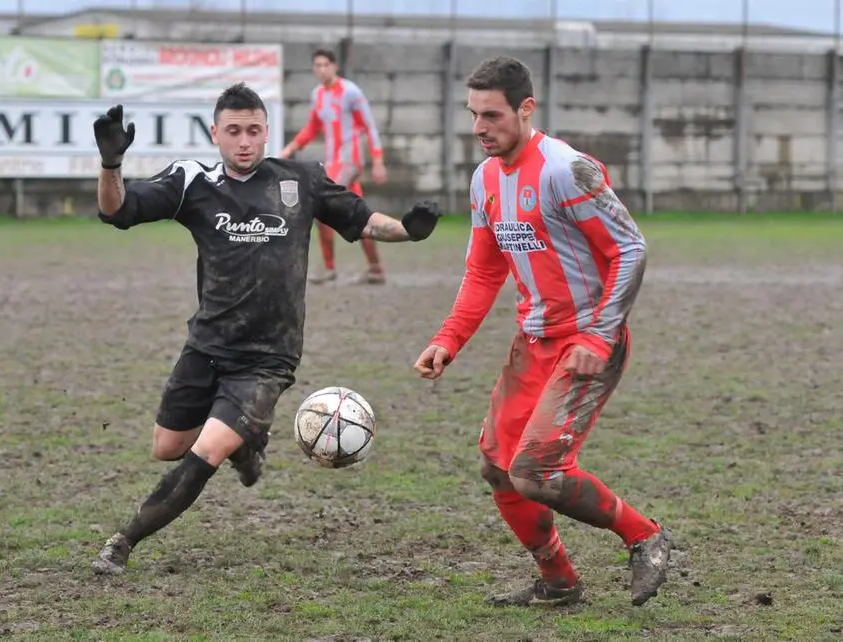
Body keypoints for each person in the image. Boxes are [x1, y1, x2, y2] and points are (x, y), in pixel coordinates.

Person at [89, 82, 442, 575]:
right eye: (233, 131)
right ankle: (248, 444)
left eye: (254, 130)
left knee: (206, 450)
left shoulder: (301, 178)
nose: (244, 141)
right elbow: (117, 210)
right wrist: (111, 165)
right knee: (167, 447)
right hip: (207, 343)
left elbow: (360, 220)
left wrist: (408, 229)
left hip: (268, 357)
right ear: (215, 133)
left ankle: (123, 542)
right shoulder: (193, 181)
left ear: (266, 131)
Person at [413, 57, 672, 608]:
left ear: (526, 109)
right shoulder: (484, 179)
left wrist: (598, 339)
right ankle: (559, 582)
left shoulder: (566, 169)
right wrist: (448, 338)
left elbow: (630, 248)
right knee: (497, 467)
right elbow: (484, 271)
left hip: (588, 344)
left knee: (535, 470)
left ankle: (646, 536)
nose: (480, 127)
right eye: (473, 115)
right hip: (533, 344)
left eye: (493, 115)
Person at [279, 48, 388, 285]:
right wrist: (290, 148)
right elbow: (312, 128)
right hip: (334, 161)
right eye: (317, 65)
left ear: (334, 66)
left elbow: (369, 126)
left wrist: (378, 160)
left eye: (325, 65)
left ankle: (329, 268)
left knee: (323, 201)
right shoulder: (317, 95)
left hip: (351, 159)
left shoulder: (351, 92)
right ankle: (375, 268)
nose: (321, 69)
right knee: (358, 214)